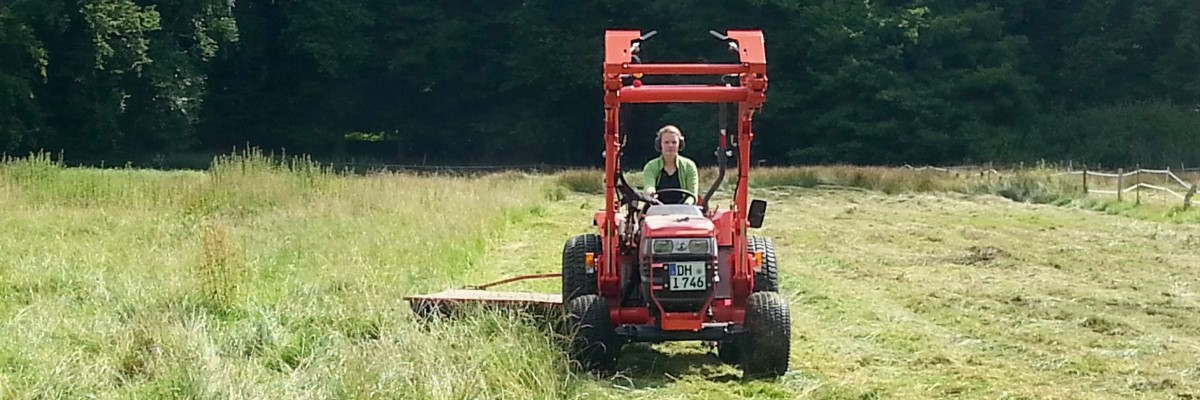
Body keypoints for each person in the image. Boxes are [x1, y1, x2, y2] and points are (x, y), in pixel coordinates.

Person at [642, 125, 699, 204]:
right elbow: (649, 186)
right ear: (660, 144)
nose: (670, 145)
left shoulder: (689, 166)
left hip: (684, 210)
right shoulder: (650, 166)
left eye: (674, 142)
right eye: (666, 142)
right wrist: (651, 193)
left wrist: (687, 204)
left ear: (680, 144)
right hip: (656, 210)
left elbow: (692, 194)